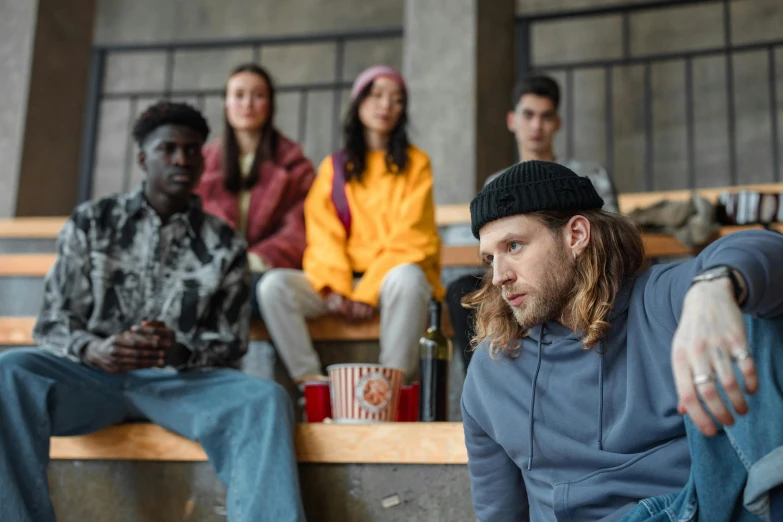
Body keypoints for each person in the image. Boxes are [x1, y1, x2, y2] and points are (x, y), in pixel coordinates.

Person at [0, 101, 306, 522]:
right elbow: (52, 320)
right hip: (92, 380)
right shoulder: (92, 222)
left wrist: (176, 352)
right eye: (169, 149)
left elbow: (230, 343)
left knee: (266, 398)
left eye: (193, 150)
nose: (182, 159)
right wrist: (94, 350)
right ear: (144, 157)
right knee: (9, 371)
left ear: (204, 158)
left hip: (182, 385)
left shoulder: (224, 243)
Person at [460, 160, 783, 521]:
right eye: (490, 259)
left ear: (576, 236)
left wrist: (713, 289)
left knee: (752, 307)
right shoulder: (491, 372)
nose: (499, 275)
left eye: (514, 245)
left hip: (691, 509)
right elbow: (498, 514)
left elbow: (766, 248)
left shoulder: (659, 300)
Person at [258, 65, 444, 386]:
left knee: (409, 277)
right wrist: (335, 291)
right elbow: (323, 234)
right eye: (376, 95)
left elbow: (412, 238)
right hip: (341, 283)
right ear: (358, 102)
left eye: (396, 99)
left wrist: (366, 294)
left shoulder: (416, 164)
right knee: (273, 286)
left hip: (389, 281)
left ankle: (390, 387)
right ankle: (312, 383)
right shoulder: (334, 167)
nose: (386, 105)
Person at [446, 74, 620, 373]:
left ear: (557, 123)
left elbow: (611, 232)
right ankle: (482, 383)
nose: (537, 126)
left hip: (579, 268)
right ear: (512, 121)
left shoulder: (588, 174)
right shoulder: (495, 184)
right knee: (463, 290)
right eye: (528, 115)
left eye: (546, 116)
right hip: (523, 274)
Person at [195, 63, 315, 318]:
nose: (247, 104)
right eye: (238, 95)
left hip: (266, 271)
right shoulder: (201, 164)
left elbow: (299, 228)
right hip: (213, 271)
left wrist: (252, 261)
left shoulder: (295, 165)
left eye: (258, 95)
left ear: (270, 104)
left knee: (244, 292)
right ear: (225, 104)